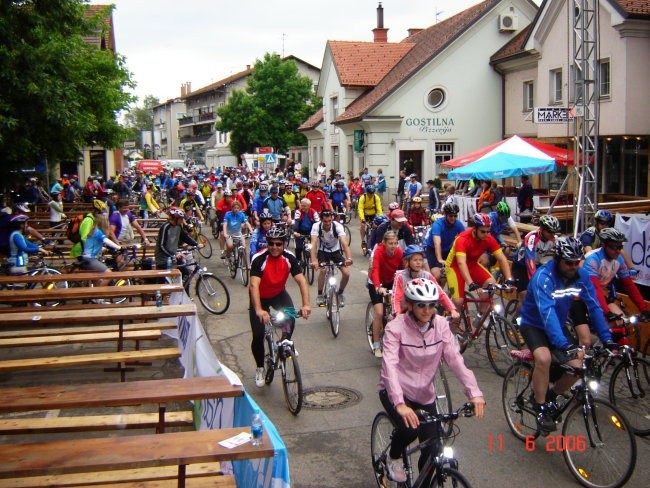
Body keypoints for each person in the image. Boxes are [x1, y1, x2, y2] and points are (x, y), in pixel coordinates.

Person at [379, 278, 485, 483]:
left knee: (433, 449)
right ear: (409, 305)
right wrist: (400, 404)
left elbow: (455, 359)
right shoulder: (395, 328)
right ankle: (392, 458)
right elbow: (389, 366)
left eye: (431, 305)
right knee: (410, 429)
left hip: (425, 394)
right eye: (421, 305)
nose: (427, 311)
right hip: (396, 390)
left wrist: (475, 393)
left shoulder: (440, 326)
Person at [518, 236, 616, 432]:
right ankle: (539, 406)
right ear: (557, 260)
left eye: (576, 262)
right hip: (534, 324)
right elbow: (547, 314)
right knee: (544, 358)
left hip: (558, 323)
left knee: (577, 366)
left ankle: (551, 396)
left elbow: (594, 307)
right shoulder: (543, 277)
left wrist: (607, 339)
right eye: (568, 263)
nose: (573, 266)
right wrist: (564, 344)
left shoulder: (581, 275)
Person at [249, 226, 311, 387]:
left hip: (278, 294)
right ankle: (260, 368)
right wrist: (259, 310)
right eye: (271, 244)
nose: (274, 247)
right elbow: (253, 286)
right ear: (267, 243)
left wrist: (306, 305)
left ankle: (284, 344)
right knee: (258, 335)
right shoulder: (259, 259)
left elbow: (301, 281)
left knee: (290, 316)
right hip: (260, 298)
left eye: (278, 244)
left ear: (284, 244)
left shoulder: (289, 257)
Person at [582, 227, 650, 345]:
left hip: (601, 293)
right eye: (614, 247)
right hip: (584, 294)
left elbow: (629, 285)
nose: (618, 250)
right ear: (604, 245)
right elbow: (594, 288)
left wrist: (643, 309)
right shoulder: (593, 259)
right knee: (598, 325)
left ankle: (615, 353)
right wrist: (607, 312)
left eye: (620, 247)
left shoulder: (618, 259)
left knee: (621, 322)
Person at [445, 213, 514, 310]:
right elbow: (461, 263)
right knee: (458, 301)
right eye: (483, 231)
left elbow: (502, 258)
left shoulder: (488, 238)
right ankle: (452, 323)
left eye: (488, 231)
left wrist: (508, 279)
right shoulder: (463, 239)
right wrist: (471, 284)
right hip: (455, 267)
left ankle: (481, 316)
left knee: (491, 285)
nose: (486, 235)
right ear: (475, 229)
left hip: (472, 265)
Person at [511, 215, 560, 318]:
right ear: (542, 229)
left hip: (536, 264)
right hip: (521, 266)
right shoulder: (531, 237)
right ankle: (516, 320)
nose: (553, 235)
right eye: (550, 232)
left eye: (554, 232)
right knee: (524, 296)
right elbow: (529, 261)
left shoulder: (553, 239)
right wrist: (534, 281)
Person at [392, 245, 458, 320]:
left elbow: (441, 293)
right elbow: (396, 298)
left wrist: (452, 310)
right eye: (415, 260)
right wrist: (397, 313)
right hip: (405, 312)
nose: (418, 262)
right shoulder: (400, 277)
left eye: (420, 260)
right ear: (407, 262)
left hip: (425, 312)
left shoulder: (427, 275)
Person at [368, 231, 404, 358]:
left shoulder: (399, 252)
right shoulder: (379, 251)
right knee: (379, 313)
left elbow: (403, 270)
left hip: (391, 281)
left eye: (395, 243)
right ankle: (376, 343)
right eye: (390, 243)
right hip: (376, 282)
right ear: (384, 243)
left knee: (400, 309)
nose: (393, 246)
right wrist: (378, 286)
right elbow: (375, 269)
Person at [310, 210, 353, 307]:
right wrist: (314, 261)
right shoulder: (316, 226)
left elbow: (344, 243)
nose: (327, 223)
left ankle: (340, 293)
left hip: (336, 251)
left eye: (329, 221)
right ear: (321, 220)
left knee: (346, 273)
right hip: (323, 251)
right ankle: (320, 295)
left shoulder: (337, 226)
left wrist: (349, 258)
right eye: (325, 221)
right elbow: (314, 244)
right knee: (323, 270)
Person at [423, 202, 465, 280]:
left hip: (447, 249)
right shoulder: (438, 224)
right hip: (432, 249)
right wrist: (439, 259)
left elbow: (465, 239)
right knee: (437, 275)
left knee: (455, 271)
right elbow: (437, 243)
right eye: (450, 216)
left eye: (455, 216)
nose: (453, 218)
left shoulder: (458, 224)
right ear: (445, 215)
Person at [154, 207, 199, 274]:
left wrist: (196, 244)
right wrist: (173, 255)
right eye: (181, 218)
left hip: (174, 257)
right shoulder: (165, 227)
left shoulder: (178, 226)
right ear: (175, 218)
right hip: (163, 259)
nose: (182, 220)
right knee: (166, 279)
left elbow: (185, 237)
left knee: (185, 272)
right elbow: (161, 245)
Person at [358, 184, 383, 251]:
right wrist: (362, 218)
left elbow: (379, 208)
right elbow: (360, 209)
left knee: (376, 226)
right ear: (367, 192)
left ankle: (375, 240)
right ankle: (363, 241)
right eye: (369, 194)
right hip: (365, 214)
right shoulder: (363, 197)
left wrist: (381, 217)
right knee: (363, 225)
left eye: (372, 193)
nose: (371, 195)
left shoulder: (376, 197)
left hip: (373, 214)